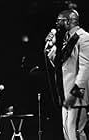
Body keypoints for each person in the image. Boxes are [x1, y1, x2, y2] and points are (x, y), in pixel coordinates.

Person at [44, 9, 89, 140]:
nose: (57, 24)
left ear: (68, 21)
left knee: (75, 132)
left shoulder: (84, 37)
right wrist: (49, 48)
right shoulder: (66, 38)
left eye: (59, 21)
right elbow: (60, 65)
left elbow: (85, 68)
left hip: (76, 95)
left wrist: (75, 94)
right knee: (68, 132)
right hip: (65, 93)